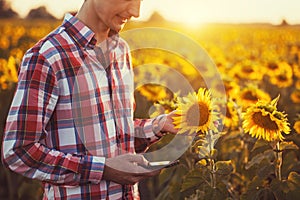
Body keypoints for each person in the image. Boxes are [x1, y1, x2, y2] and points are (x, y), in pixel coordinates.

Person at [1, 0, 178, 199]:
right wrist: (102, 169)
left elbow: (116, 137)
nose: (135, 12)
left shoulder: (121, 50)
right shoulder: (48, 56)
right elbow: (18, 151)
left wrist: (159, 125)